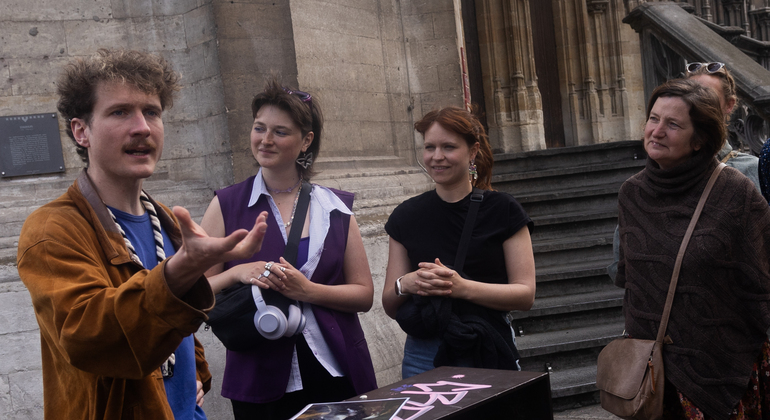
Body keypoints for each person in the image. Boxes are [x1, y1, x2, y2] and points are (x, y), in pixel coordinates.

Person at [16, 49, 269, 420]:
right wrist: (181, 270)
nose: (142, 127)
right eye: (120, 112)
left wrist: (197, 373)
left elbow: (178, 328)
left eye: (151, 112)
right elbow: (87, 338)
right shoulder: (53, 228)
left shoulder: (165, 218)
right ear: (82, 131)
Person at [200, 78, 377, 420]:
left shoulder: (334, 207)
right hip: (258, 376)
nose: (265, 140)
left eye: (280, 132)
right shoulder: (225, 205)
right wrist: (238, 272)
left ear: (306, 140)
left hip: (335, 368)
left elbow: (364, 294)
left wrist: (308, 291)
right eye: (259, 128)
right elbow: (196, 292)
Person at [614, 78, 770, 419]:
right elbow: (629, 279)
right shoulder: (632, 194)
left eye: (673, 124)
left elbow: (761, 283)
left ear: (699, 139)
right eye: (653, 119)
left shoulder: (735, 193)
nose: (656, 132)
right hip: (652, 374)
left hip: (723, 369)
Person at [381, 106, 536, 379]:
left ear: (473, 151)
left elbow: (525, 294)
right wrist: (407, 283)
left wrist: (462, 288)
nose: (437, 156)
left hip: (486, 343)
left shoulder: (503, 210)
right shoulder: (405, 215)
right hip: (423, 353)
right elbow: (389, 304)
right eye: (430, 147)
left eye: (449, 147)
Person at [608, 61, 761, 281]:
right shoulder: (636, 190)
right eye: (654, 118)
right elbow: (621, 268)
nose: (694, 103)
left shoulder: (746, 176)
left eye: (706, 97)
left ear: (729, 105)